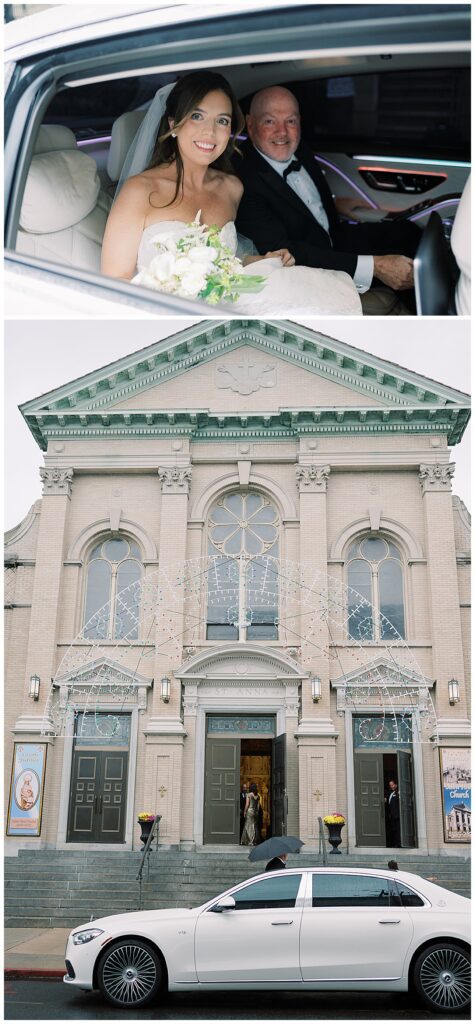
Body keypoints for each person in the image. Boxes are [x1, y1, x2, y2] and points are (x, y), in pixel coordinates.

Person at [101, 72, 362, 315]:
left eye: (222, 121)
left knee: (328, 294)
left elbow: (226, 261)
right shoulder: (139, 192)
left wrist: (262, 260)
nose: (210, 132)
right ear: (174, 125)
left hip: (230, 307)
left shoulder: (232, 188)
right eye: (196, 116)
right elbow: (114, 286)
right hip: (162, 316)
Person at [235, 85, 421, 313]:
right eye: (270, 121)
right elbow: (286, 254)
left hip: (334, 236)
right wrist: (376, 266)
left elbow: (302, 204)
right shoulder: (244, 181)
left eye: (291, 121)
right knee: (402, 272)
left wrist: (334, 204)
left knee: (409, 232)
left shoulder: (300, 148)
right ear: (250, 124)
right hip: (310, 268)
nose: (282, 132)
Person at [386, 779, 401, 847]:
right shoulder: (390, 793)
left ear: (395, 785)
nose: (392, 786)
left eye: (392, 785)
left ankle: (398, 844)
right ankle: (392, 843)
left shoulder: (398, 792)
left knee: (397, 830)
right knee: (392, 830)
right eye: (390, 785)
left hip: (396, 815)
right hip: (391, 815)